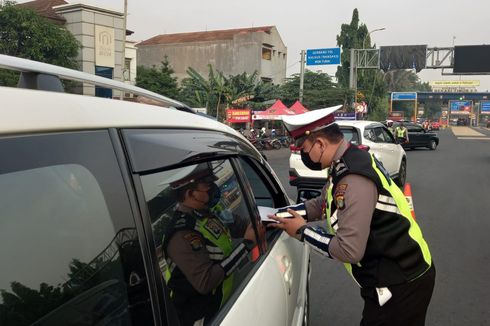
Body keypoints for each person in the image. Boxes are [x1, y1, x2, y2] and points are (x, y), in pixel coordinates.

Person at [271, 106, 435, 326]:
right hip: (399, 270)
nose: (303, 154)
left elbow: (349, 250)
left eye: (304, 148)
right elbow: (323, 204)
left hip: (400, 281)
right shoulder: (347, 160)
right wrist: (277, 216)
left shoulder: (353, 179)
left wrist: (301, 231)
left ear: (320, 144)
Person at [162, 163, 258, 326]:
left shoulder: (210, 211)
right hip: (203, 316)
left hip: (226, 303)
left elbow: (240, 225)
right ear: (190, 194)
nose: (214, 189)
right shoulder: (183, 233)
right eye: (207, 187)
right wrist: (247, 244)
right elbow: (205, 281)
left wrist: (266, 222)